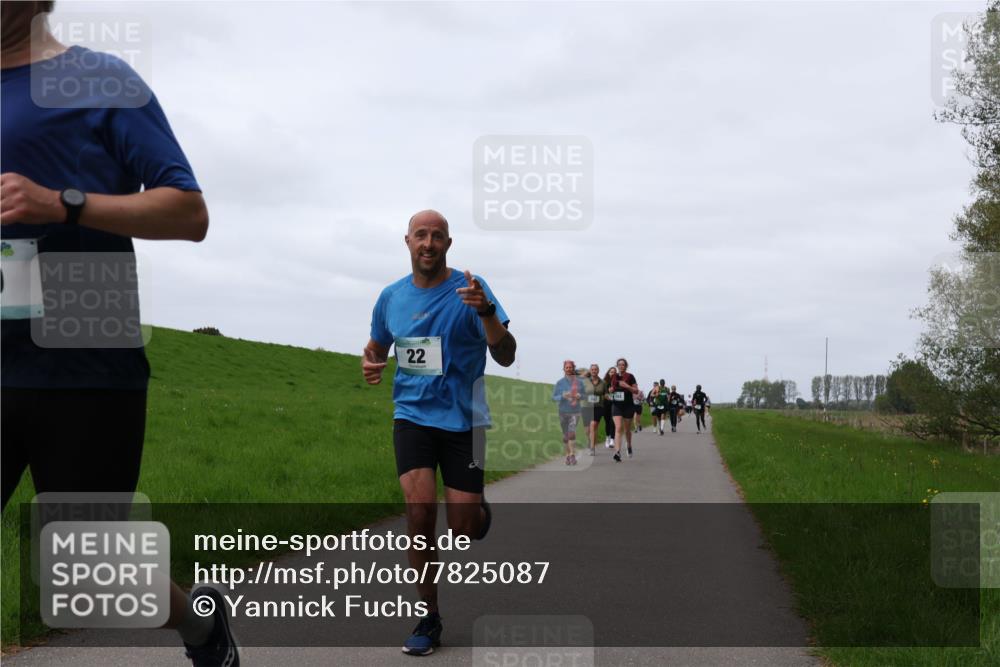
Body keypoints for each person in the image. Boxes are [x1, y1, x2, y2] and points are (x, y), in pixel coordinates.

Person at [0, 5, 237, 666]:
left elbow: (189, 211)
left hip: (85, 351)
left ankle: (199, 623)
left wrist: (63, 202)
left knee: (90, 567)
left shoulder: (99, 79)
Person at [362, 209, 515, 656]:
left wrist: (485, 312)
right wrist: (369, 360)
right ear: (407, 242)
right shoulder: (391, 297)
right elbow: (377, 344)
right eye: (420, 235)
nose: (428, 243)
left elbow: (505, 355)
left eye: (437, 236)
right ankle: (429, 616)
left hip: (465, 422)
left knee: (463, 529)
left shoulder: (471, 290)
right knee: (420, 512)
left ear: (449, 244)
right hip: (411, 417)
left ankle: (476, 511)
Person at [552, 360, 584, 465]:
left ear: (573, 368)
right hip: (563, 411)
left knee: (571, 433)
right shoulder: (560, 383)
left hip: (575, 411)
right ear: (564, 369)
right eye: (567, 367)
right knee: (565, 436)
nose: (569, 369)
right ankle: (567, 455)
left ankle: (572, 455)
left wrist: (580, 396)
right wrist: (562, 396)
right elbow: (553, 397)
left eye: (570, 367)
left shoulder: (579, 382)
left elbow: (585, 395)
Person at [609, 358, 639, 461]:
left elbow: (636, 391)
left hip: (628, 406)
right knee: (618, 428)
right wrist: (611, 390)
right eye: (619, 365)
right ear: (617, 366)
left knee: (627, 430)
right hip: (616, 405)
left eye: (623, 365)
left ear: (626, 366)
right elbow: (610, 389)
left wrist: (627, 386)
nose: (621, 366)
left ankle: (629, 445)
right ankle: (617, 452)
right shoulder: (613, 376)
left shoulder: (630, 376)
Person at [582, 363, 607, 456]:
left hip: (598, 407)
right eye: (592, 369)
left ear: (598, 371)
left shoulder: (603, 382)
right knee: (587, 430)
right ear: (590, 371)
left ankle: (592, 448)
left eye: (595, 369)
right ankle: (590, 442)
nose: (594, 371)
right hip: (586, 406)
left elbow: (605, 394)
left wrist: (609, 396)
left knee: (593, 425)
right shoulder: (585, 382)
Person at [602, 366, 617, 448]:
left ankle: (612, 439)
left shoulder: (618, 382)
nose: (613, 373)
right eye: (611, 372)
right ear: (608, 373)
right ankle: (607, 437)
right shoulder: (604, 382)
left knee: (613, 421)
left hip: (615, 404)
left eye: (614, 372)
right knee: (607, 422)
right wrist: (607, 393)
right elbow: (601, 393)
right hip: (606, 404)